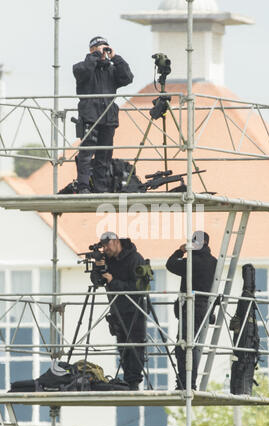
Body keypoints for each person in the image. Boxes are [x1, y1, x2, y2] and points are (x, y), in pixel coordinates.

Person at [73, 37, 134, 193]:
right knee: (86, 154)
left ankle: (101, 188)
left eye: (105, 48)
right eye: (100, 48)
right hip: (90, 117)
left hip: (108, 118)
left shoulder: (112, 70)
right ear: (91, 50)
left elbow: (127, 77)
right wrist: (95, 56)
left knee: (105, 155)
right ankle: (83, 186)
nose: (103, 51)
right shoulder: (81, 68)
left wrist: (115, 58)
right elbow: (84, 71)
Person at [166, 231, 217, 390]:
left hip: (191, 307)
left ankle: (186, 383)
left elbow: (170, 264)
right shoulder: (214, 262)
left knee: (184, 347)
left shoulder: (191, 262)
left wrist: (180, 250)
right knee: (192, 346)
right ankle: (189, 383)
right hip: (205, 308)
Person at [95, 231, 146, 391]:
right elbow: (97, 282)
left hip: (135, 309)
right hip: (117, 309)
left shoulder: (136, 258)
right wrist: (98, 269)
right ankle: (128, 380)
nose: (105, 248)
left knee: (135, 346)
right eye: (102, 246)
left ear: (117, 241)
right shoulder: (107, 260)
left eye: (107, 244)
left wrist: (114, 282)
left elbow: (142, 287)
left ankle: (134, 382)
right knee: (122, 346)